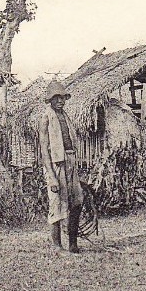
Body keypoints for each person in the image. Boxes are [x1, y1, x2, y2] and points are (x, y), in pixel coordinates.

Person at [36, 80, 84, 253]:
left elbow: (71, 143)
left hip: (71, 162)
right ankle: (57, 245)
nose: (60, 101)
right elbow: (44, 149)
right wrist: (51, 176)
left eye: (62, 98)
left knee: (77, 201)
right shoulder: (46, 118)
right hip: (56, 166)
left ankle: (73, 243)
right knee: (56, 203)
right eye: (56, 98)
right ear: (50, 100)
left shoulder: (66, 116)